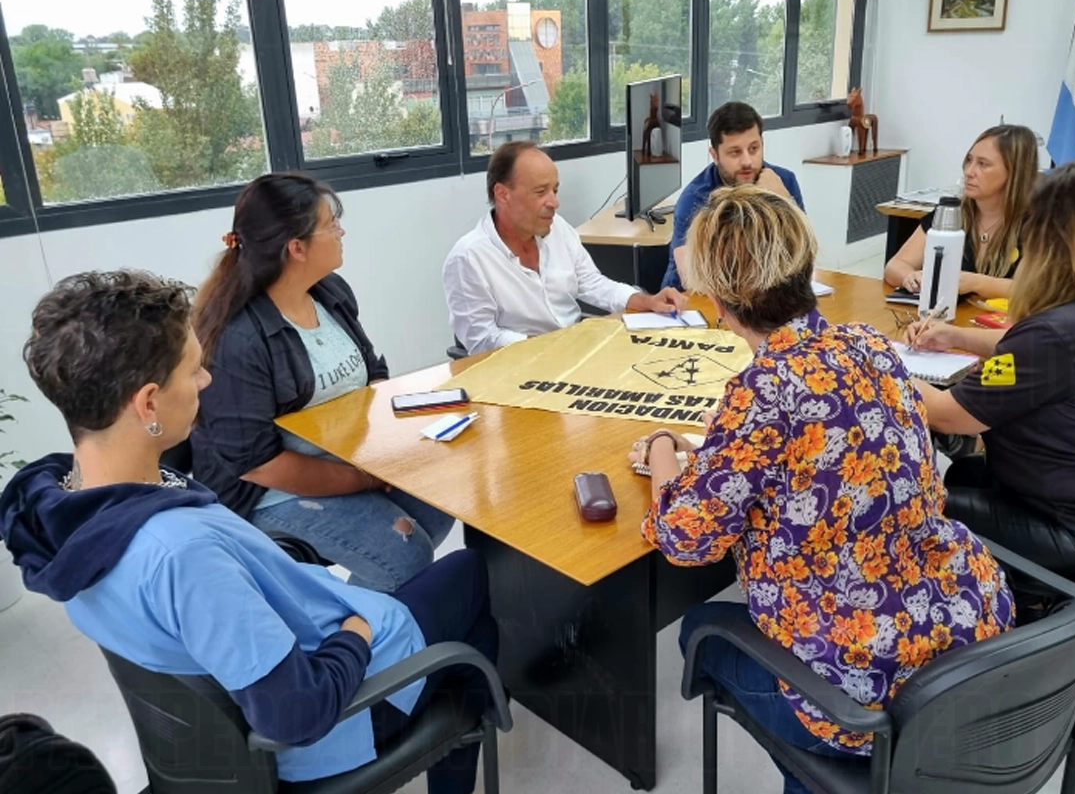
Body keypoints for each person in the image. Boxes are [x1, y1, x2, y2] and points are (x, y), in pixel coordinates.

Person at [0, 270, 498, 791]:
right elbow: (297, 715)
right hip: (334, 721)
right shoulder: (182, 556)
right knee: (471, 573)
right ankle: (463, 734)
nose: (206, 381)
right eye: (194, 370)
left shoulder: (55, 505)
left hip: (229, 715)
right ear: (148, 404)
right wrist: (358, 631)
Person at [632, 186, 1014, 792]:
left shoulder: (763, 390)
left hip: (864, 691)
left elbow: (684, 538)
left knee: (699, 629)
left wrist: (660, 449)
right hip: (967, 634)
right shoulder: (872, 345)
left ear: (722, 304)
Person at [906, 161, 1075, 581]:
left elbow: (947, 415)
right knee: (965, 473)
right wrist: (957, 336)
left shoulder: (1056, 333)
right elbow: (1041, 354)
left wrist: (874, 361)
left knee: (911, 506)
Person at [191, 173, 454, 592]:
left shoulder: (329, 291)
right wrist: (364, 478)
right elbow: (258, 465)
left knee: (442, 500)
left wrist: (389, 452)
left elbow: (372, 371)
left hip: (345, 460)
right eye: (332, 225)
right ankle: (352, 625)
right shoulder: (239, 339)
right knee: (406, 554)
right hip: (269, 494)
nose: (341, 232)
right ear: (296, 248)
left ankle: (362, 607)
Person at [443, 141, 687, 355]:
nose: (554, 203)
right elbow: (482, 340)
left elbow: (592, 283)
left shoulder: (557, 227)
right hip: (519, 367)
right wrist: (552, 347)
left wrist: (647, 301)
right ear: (502, 194)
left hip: (573, 351)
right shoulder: (468, 258)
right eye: (541, 192)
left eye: (555, 190)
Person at [660, 101, 805, 291]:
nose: (747, 162)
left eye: (754, 149)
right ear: (714, 155)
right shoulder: (695, 198)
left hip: (764, 293)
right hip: (694, 299)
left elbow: (805, 255)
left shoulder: (783, 182)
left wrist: (784, 202)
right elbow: (690, 278)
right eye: (735, 152)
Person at [884, 124, 1038, 300]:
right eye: (969, 160)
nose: (969, 171)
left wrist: (976, 283)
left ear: (1015, 172)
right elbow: (895, 266)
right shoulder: (950, 213)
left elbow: (1036, 291)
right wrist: (910, 277)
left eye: (983, 164)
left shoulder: (1038, 224)